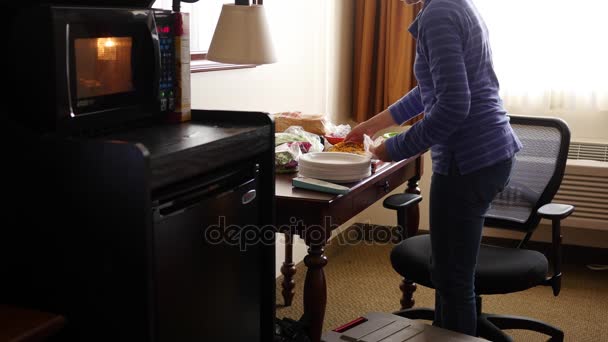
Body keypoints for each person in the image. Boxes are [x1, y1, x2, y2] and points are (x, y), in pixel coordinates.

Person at [345, 0, 522, 337]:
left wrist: (390, 149)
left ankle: (456, 332)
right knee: (453, 273)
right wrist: (374, 125)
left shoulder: (439, 14)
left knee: (452, 280)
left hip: (468, 162)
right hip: (491, 152)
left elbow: (453, 106)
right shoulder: (453, 5)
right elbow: (429, 90)